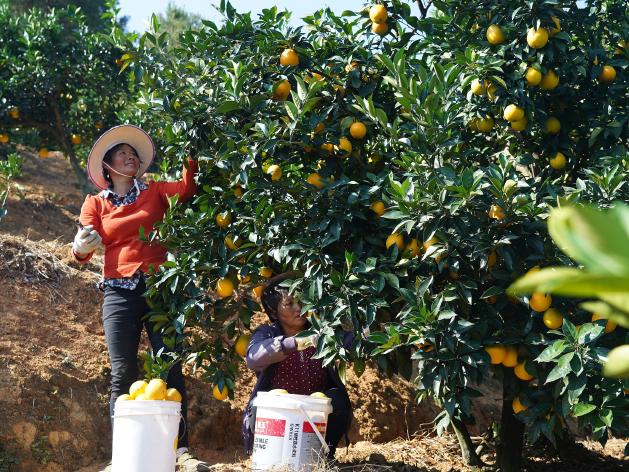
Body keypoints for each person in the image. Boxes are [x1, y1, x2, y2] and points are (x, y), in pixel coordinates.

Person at [71, 124, 208, 472]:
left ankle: (181, 452)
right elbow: (84, 247)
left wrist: (191, 149)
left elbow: (187, 188)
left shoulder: (156, 191)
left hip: (160, 289)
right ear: (107, 166)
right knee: (123, 372)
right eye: (122, 153)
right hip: (119, 292)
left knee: (170, 366)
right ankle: (124, 456)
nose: (130, 157)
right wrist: (81, 245)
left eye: (133, 154)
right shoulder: (95, 203)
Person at [242, 275, 353, 460]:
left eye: (301, 300)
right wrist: (292, 343)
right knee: (258, 407)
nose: (298, 308)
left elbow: (350, 342)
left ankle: (324, 457)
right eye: (289, 303)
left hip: (316, 414)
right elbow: (253, 357)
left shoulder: (321, 330)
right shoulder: (267, 333)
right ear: (274, 312)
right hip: (281, 416)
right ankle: (272, 459)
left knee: (338, 400)